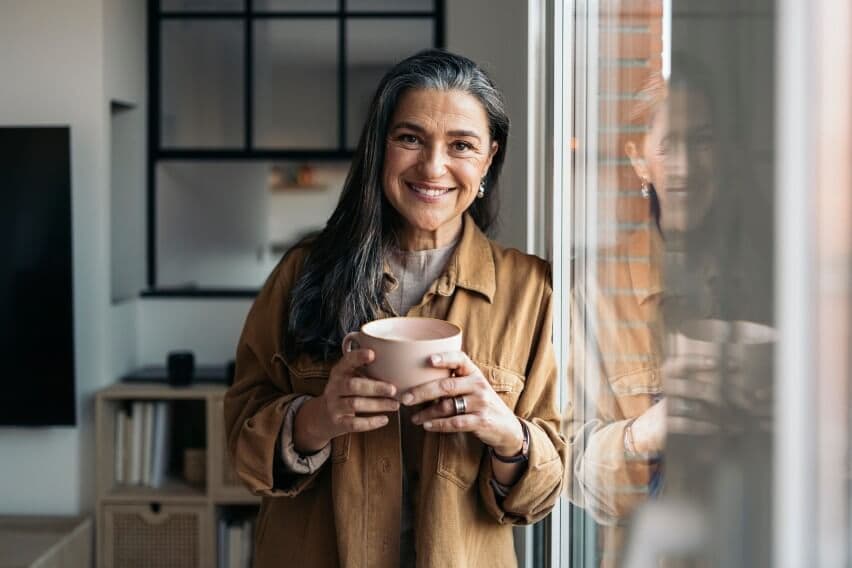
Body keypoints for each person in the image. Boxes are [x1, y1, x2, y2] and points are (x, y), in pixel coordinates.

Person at [224, 49, 566, 568]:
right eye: (410, 138)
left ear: (489, 159)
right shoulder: (300, 273)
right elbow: (239, 445)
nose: (433, 166)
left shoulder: (532, 290)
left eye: (461, 145)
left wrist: (506, 434)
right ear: (379, 148)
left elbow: (543, 491)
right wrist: (315, 420)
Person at [563, 60, 765, 566]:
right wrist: (643, 436)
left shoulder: (775, 278)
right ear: (638, 159)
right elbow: (567, 474)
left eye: (702, 141)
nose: (686, 167)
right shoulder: (594, 290)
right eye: (669, 145)